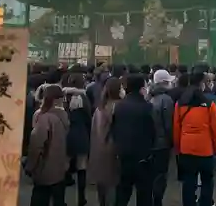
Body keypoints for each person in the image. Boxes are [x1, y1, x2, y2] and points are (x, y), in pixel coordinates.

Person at [173, 72, 216, 206]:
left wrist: (178, 148)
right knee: (207, 180)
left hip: (186, 149)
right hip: (205, 150)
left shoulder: (180, 104)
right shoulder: (209, 104)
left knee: (188, 181)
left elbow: (176, 129)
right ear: (202, 84)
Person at [112, 73, 156, 206]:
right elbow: (152, 131)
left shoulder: (119, 106)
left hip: (124, 155)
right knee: (144, 193)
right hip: (143, 157)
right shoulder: (147, 107)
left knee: (123, 191)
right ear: (141, 88)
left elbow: (114, 128)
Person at [25, 84, 70, 206]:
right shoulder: (64, 115)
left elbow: (36, 144)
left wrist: (30, 165)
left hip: (44, 166)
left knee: (40, 198)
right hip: (60, 165)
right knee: (58, 199)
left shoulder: (41, 116)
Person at [88, 77, 124, 206]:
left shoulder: (100, 108)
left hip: (99, 150)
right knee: (114, 185)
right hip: (114, 149)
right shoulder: (120, 107)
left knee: (102, 185)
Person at [63, 74, 92, 206]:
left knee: (64, 166)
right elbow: (88, 117)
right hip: (81, 133)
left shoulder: (64, 96)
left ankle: (60, 198)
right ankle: (81, 198)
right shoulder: (84, 97)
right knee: (82, 166)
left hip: (67, 133)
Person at [149, 69, 175, 206]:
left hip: (149, 143)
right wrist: (173, 141)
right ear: (164, 83)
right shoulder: (167, 100)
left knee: (151, 175)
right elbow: (169, 124)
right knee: (161, 175)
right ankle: (157, 201)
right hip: (162, 144)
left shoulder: (149, 97)